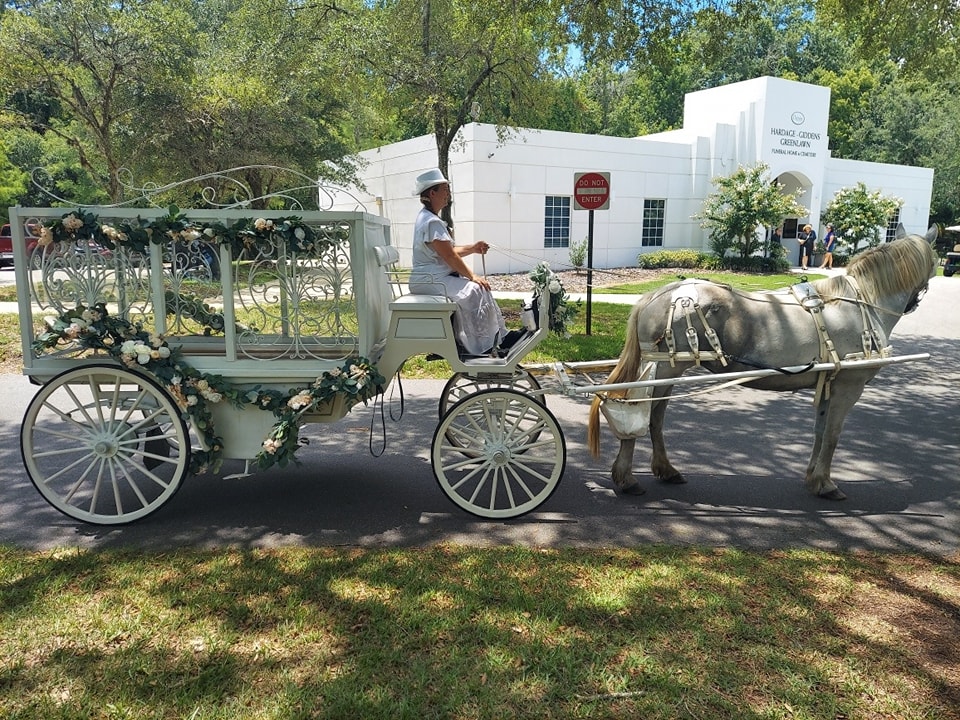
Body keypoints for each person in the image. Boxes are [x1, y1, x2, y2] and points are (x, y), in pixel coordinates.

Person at [408, 168, 523, 357]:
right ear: (432, 193)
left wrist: (474, 248)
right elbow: (450, 257)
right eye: (445, 189)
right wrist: (473, 276)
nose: (448, 194)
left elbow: (448, 251)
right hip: (430, 280)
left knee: (479, 288)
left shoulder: (428, 219)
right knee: (475, 289)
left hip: (432, 278)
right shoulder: (431, 222)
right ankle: (479, 345)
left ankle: (499, 337)